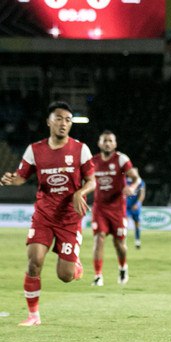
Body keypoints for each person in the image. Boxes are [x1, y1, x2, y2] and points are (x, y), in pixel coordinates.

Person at [0, 101, 95, 326]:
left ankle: (74, 264)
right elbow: (23, 175)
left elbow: (92, 181)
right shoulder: (35, 150)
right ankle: (34, 315)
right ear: (49, 122)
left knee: (65, 276)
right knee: (34, 262)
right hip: (43, 215)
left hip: (69, 218)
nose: (64, 124)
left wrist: (80, 192)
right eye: (59, 119)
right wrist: (13, 180)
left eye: (68, 120)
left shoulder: (80, 149)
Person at [91, 130, 140, 286]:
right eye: (104, 140)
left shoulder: (121, 160)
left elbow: (136, 178)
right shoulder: (94, 161)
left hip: (118, 209)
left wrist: (132, 187)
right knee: (99, 239)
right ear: (99, 143)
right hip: (100, 208)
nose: (107, 143)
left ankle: (122, 267)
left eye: (110, 140)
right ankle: (98, 275)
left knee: (119, 244)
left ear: (115, 144)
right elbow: (85, 180)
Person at [126, 168, 145, 249]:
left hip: (135, 207)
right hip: (126, 207)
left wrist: (138, 203)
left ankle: (137, 240)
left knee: (137, 224)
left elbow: (142, 194)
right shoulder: (126, 181)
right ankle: (123, 241)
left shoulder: (141, 182)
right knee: (124, 224)